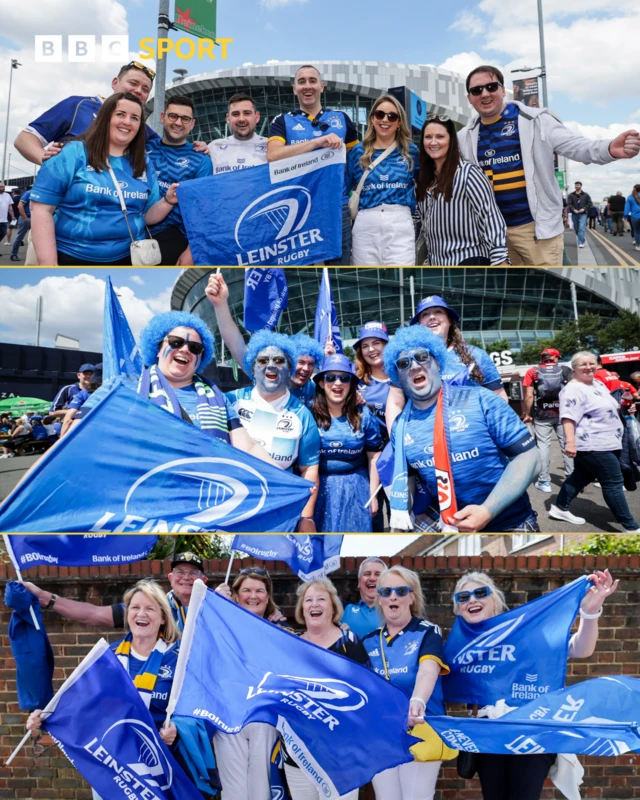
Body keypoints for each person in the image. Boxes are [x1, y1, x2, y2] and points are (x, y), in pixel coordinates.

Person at [452, 568, 619, 800]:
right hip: (487, 735)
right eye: (463, 597)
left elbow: (580, 648)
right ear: (458, 607)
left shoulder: (526, 633)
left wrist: (589, 613)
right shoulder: (459, 646)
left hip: (531, 733)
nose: (471, 599)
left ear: (494, 601)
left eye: (480, 593)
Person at [458, 65, 640, 266]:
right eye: (477, 90)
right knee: (509, 294)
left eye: (491, 86)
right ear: (469, 98)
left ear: (502, 90)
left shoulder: (536, 121)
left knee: (547, 290)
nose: (484, 94)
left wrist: (609, 149)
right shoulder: (465, 137)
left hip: (535, 230)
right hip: (492, 234)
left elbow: (576, 146)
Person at [26, 579, 180, 800]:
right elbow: (82, 704)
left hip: (158, 767)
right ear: (127, 615)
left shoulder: (176, 659)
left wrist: (177, 728)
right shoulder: (108, 656)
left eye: (150, 608)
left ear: (163, 617)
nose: (141, 614)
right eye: (135, 607)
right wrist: (44, 717)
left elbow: (190, 711)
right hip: (111, 767)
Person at [385, 326, 540, 533]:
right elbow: (410, 481)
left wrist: (487, 510)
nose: (414, 366)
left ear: (438, 362)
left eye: (422, 357)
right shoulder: (400, 427)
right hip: (447, 525)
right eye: (404, 363)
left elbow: (530, 458)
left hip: (508, 522)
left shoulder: (482, 400)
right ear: (399, 377)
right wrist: (399, 522)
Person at [30, 92, 179, 267]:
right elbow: (41, 210)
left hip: (130, 258)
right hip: (72, 256)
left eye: (135, 118)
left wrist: (168, 201)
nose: (127, 122)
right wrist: (50, 267)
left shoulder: (144, 162)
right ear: (105, 118)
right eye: (120, 114)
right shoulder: (73, 153)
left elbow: (146, 215)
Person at [362, 566, 449, 800]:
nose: (393, 596)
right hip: (383, 731)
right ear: (379, 599)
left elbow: (428, 670)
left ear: (411, 597)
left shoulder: (427, 632)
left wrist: (418, 699)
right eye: (386, 591)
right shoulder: (369, 641)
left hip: (421, 726)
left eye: (401, 591)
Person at [225, 330, 321, 530]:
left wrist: (307, 517)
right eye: (263, 360)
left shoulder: (302, 415)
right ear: (253, 368)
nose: (270, 365)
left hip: (278, 512)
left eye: (279, 360)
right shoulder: (229, 402)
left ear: (289, 369)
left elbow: (309, 469)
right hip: (231, 506)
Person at [284, 578, 370, 800]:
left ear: (333, 606)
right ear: (302, 608)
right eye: (308, 600)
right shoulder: (290, 645)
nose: (314, 604)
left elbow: (367, 693)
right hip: (298, 753)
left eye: (321, 599)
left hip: (341, 755)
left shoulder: (349, 642)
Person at [267, 64, 359, 265]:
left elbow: (358, 158)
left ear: (322, 86)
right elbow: (273, 156)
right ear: (294, 88)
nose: (307, 86)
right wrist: (316, 143)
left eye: (312, 81)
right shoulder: (283, 120)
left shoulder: (341, 119)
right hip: (299, 209)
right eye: (301, 82)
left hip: (336, 207)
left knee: (339, 270)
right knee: (302, 271)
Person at [214, 567, 290, 800]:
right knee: (233, 792)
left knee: (262, 789)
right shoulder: (219, 627)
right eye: (246, 590)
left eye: (260, 590)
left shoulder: (282, 633)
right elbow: (190, 643)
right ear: (235, 594)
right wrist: (214, 604)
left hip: (264, 719)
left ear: (268, 597)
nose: (253, 595)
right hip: (227, 719)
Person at [386, 295, 508, 434]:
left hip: (472, 436)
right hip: (425, 438)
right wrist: (396, 440)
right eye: (425, 314)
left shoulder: (476, 355)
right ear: (419, 325)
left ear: (450, 320)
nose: (432, 317)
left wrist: (495, 432)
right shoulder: (405, 360)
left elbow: (499, 396)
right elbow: (395, 403)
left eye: (438, 311)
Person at [549, 351, 640, 532]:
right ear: (574, 368)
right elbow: (568, 418)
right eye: (583, 364)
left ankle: (559, 508)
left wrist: (624, 406)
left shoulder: (597, 383)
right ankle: (631, 528)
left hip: (610, 441)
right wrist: (570, 443)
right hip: (593, 444)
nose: (588, 367)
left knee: (581, 477)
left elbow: (607, 406)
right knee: (613, 483)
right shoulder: (572, 389)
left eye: (592, 363)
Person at [14, 61, 158, 167]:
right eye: (133, 83)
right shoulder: (78, 105)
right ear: (115, 83)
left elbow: (169, 151)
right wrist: (46, 160)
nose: (139, 91)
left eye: (145, 89)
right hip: (68, 202)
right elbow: (24, 138)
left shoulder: (142, 128)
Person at [23, 551, 208, 633]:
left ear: (204, 580)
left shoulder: (216, 608)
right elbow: (94, 614)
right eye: (180, 572)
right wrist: (45, 597)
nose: (186, 577)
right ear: (170, 577)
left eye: (193, 573)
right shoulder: (153, 606)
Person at [416, 115, 508, 265]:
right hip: (437, 263)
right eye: (428, 137)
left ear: (451, 140)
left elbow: (490, 216)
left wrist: (500, 259)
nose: (433, 142)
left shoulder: (469, 173)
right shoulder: (425, 179)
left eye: (440, 136)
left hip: (469, 260)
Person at [311, 354, 382, 532]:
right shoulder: (308, 415)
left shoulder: (364, 414)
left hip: (356, 488)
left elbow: (374, 456)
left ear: (351, 384)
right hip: (318, 489)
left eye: (344, 378)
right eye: (330, 377)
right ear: (321, 383)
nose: (337, 383)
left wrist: (373, 494)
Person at [346, 94, 419, 266]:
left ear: (399, 122)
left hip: (400, 223)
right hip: (365, 224)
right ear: (372, 119)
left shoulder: (411, 151)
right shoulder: (358, 151)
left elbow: (424, 185)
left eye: (392, 116)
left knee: (403, 273)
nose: (385, 120)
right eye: (380, 114)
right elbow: (344, 186)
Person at [145, 96, 213, 266]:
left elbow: (203, 210)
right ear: (162, 117)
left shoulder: (201, 159)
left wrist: (191, 250)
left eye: (185, 118)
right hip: (134, 233)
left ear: (192, 124)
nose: (178, 123)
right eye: (173, 116)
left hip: (174, 238)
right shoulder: (143, 148)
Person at [521, 348, 573, 492]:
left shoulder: (532, 371)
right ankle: (571, 479)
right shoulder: (565, 370)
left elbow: (529, 396)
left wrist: (527, 413)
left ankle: (544, 482)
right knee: (567, 444)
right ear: (555, 358)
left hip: (542, 414)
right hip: (564, 414)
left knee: (543, 446)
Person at [208, 93, 268, 174]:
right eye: (235, 114)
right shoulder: (213, 147)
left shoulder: (270, 146)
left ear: (257, 117)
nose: (241, 119)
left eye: (247, 113)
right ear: (228, 118)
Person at [341, 556, 386, 638]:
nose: (372, 578)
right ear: (359, 582)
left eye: (378, 574)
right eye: (367, 574)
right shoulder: (343, 609)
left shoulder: (394, 612)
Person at [289, 333, 325, 409]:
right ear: (289, 362)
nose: (306, 368)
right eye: (301, 362)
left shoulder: (313, 388)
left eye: (311, 364)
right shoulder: (276, 389)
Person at [567, 181, 592, 248]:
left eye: (578, 185)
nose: (576, 186)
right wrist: (574, 209)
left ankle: (580, 242)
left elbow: (590, 204)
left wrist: (584, 209)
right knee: (577, 228)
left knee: (581, 228)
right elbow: (569, 204)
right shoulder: (571, 195)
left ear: (581, 186)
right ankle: (582, 239)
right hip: (574, 214)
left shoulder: (586, 195)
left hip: (583, 214)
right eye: (575, 185)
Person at [10, 189, 31, 261]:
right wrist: (25, 218)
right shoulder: (29, 193)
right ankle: (13, 254)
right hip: (26, 217)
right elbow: (20, 206)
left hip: (35, 218)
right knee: (20, 237)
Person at [624, 183, 640, 251]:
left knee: (637, 231)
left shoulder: (630, 197)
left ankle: (638, 246)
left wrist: (624, 216)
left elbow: (627, 208)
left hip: (635, 217)